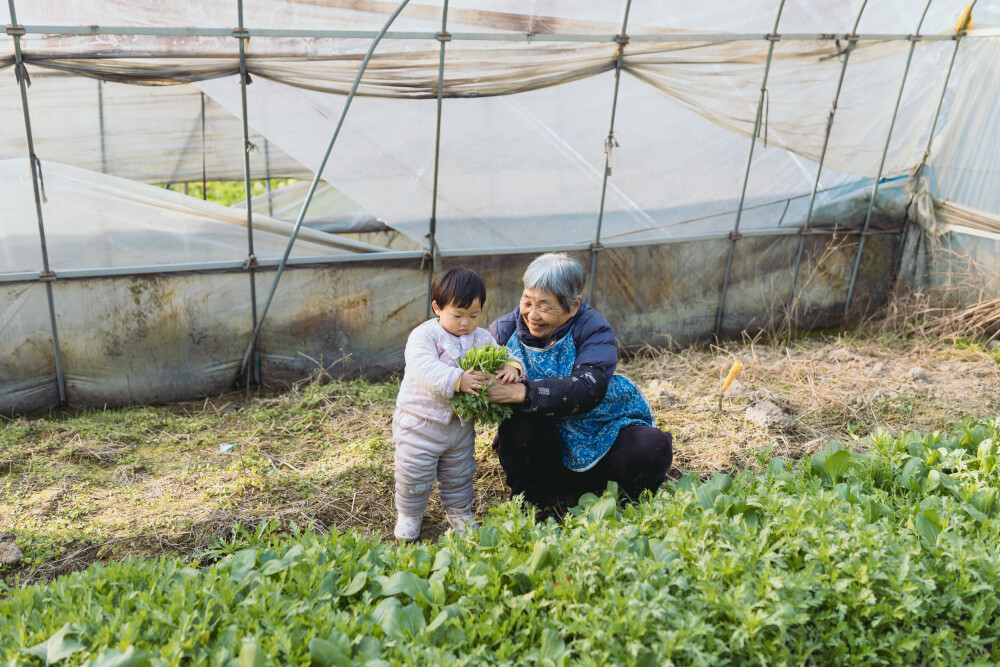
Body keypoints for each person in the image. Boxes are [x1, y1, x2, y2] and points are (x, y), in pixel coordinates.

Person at [487, 252, 673, 512]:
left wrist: (523, 392)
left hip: (599, 432)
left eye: (544, 306)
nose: (533, 315)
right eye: (527, 301)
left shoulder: (593, 329)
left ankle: (617, 499)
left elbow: (587, 389)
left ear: (573, 305)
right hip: (544, 450)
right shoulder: (502, 332)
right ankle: (533, 505)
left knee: (651, 447)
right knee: (520, 423)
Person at [393, 268, 521, 542]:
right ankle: (410, 514)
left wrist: (512, 366)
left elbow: (502, 354)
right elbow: (423, 368)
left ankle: (460, 512)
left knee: (459, 473)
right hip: (420, 423)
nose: (466, 323)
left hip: (460, 427)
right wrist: (457, 380)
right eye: (458, 315)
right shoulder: (424, 336)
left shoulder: (482, 337)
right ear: (437, 308)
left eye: (474, 315)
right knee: (414, 473)